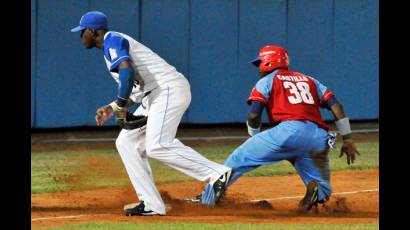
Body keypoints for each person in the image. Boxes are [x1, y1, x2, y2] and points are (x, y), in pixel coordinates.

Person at [70, 11, 232, 216]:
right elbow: (135, 89)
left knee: (157, 145)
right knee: (126, 142)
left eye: (82, 31)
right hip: (154, 95)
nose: (80, 36)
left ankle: (216, 173)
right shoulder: (109, 50)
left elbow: (127, 72)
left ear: (93, 31)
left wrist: (120, 106)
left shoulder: (113, 40)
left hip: (167, 90)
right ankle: (152, 204)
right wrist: (113, 106)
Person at [195, 45, 360, 211]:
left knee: (237, 159)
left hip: (287, 132)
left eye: (260, 62)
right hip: (318, 137)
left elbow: (253, 115)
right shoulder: (310, 80)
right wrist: (347, 139)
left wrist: (254, 135)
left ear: (268, 62)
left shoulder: (266, 81)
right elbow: (336, 106)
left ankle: (207, 199)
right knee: (321, 185)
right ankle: (317, 193)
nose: (259, 68)